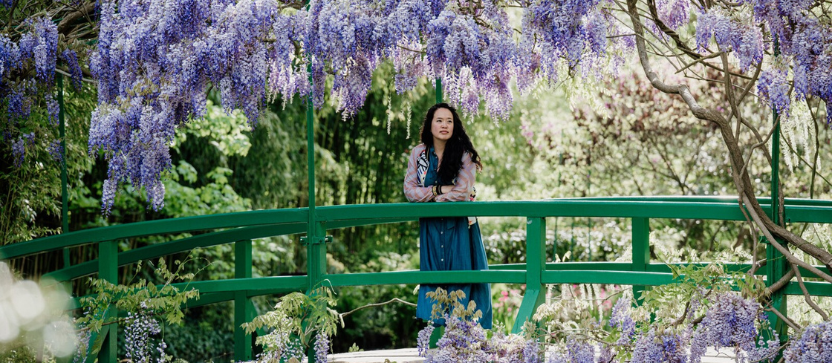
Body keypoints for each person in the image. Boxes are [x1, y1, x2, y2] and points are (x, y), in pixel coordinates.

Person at [403, 102, 492, 329]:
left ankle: (462, 342)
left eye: (449, 121)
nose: (444, 125)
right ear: (430, 125)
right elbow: (409, 191)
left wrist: (432, 199)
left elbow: (462, 193)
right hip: (431, 228)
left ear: (455, 126)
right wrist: (440, 190)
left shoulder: (465, 154)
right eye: (439, 120)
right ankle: (442, 346)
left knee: (463, 281)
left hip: (460, 226)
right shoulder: (418, 154)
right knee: (435, 281)